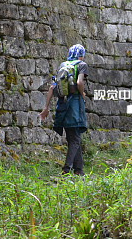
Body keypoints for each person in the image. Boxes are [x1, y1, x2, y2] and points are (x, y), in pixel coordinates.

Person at [41, 44, 88, 176]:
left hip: (62, 105)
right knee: (75, 139)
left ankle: (79, 171)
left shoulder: (62, 66)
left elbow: (52, 87)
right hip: (74, 105)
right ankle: (66, 170)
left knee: (73, 136)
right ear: (81, 55)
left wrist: (46, 108)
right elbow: (79, 82)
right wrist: (82, 94)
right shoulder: (81, 65)